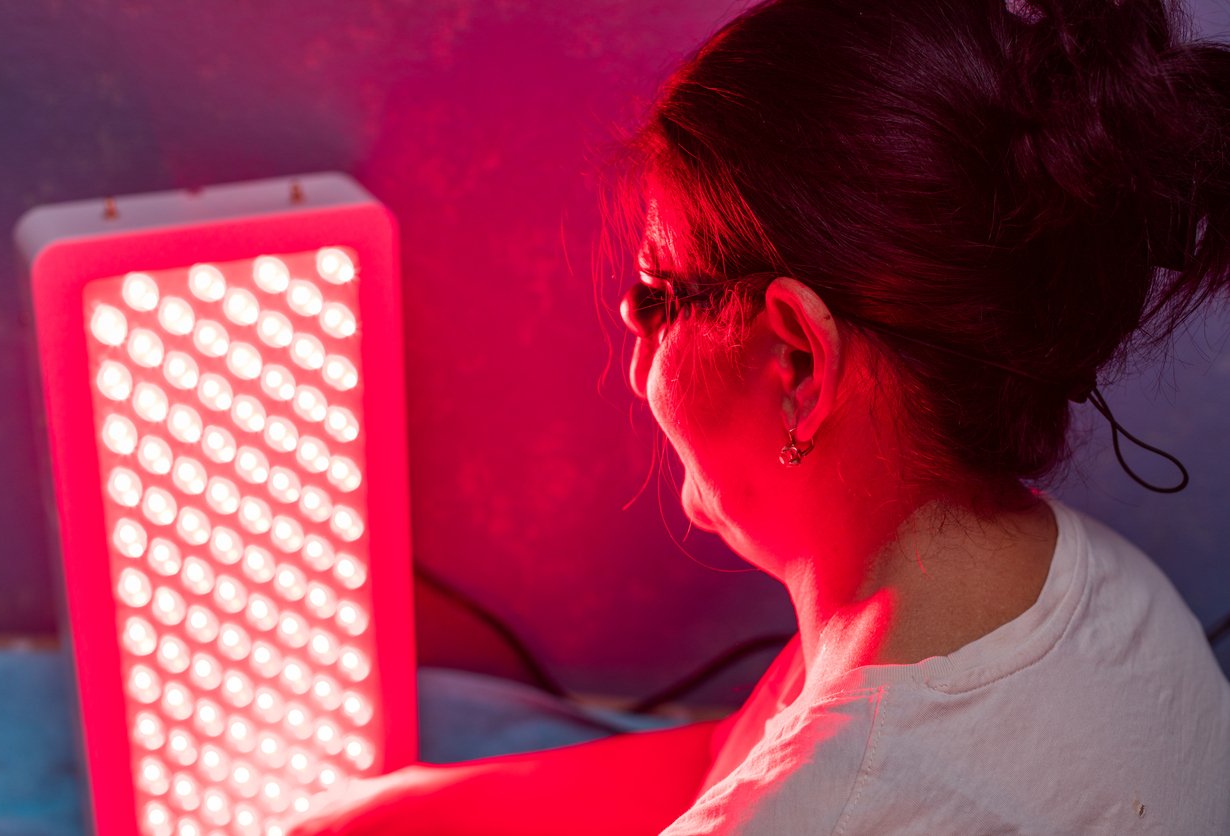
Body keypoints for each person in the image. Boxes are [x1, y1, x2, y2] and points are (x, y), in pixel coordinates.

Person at [289, 0, 1230, 832]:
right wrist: (419, 809)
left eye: (656, 294)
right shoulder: (1100, 590)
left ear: (799, 361)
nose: (632, 346)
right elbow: (736, 759)